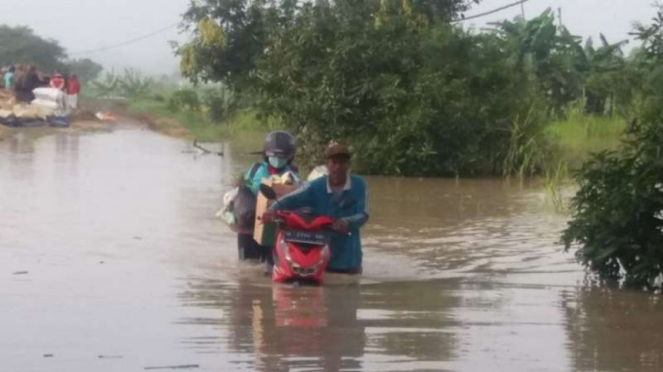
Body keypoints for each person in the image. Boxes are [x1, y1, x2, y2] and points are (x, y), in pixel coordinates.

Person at [263, 142, 369, 274]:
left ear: (347, 165)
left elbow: (363, 214)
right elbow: (291, 198)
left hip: (349, 260)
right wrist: (272, 209)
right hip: (320, 258)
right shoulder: (315, 186)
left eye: (342, 163)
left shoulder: (359, 185)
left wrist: (347, 222)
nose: (338, 167)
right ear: (328, 165)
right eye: (334, 162)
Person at [238, 131, 300, 271]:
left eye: (282, 157)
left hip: (277, 230)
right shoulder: (255, 170)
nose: (277, 160)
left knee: (273, 269)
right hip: (250, 230)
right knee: (247, 269)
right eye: (274, 156)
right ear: (266, 155)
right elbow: (243, 194)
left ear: (290, 157)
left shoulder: (293, 174)